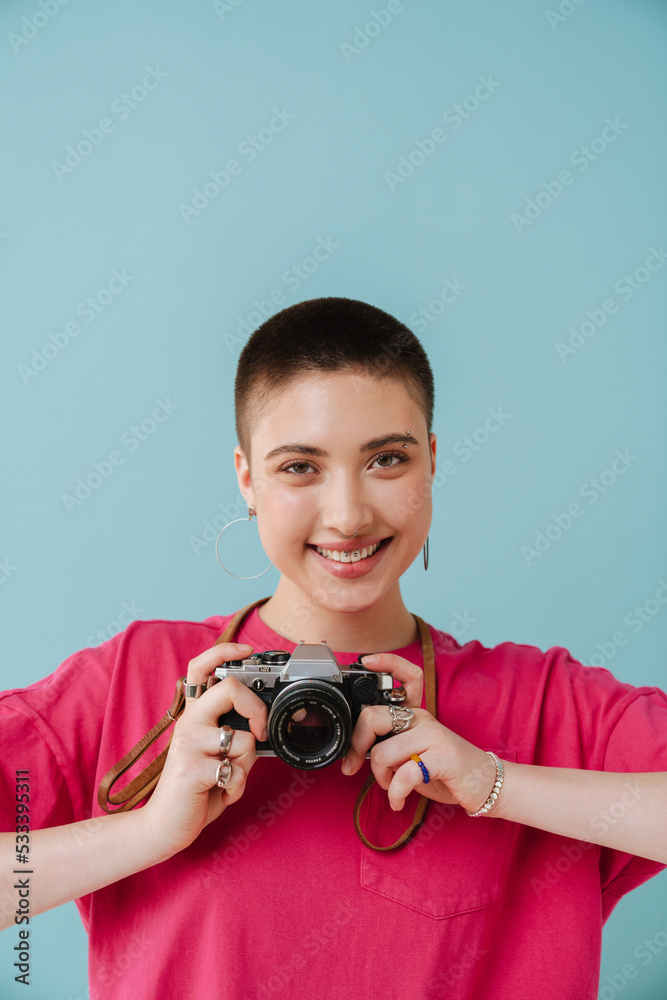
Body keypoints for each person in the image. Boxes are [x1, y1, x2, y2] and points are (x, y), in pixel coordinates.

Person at [1, 295, 666, 1000]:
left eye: (386, 459)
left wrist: (492, 784)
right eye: (298, 467)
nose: (348, 515)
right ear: (246, 478)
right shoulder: (133, 682)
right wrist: (149, 832)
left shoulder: (543, 702)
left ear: (431, 463)